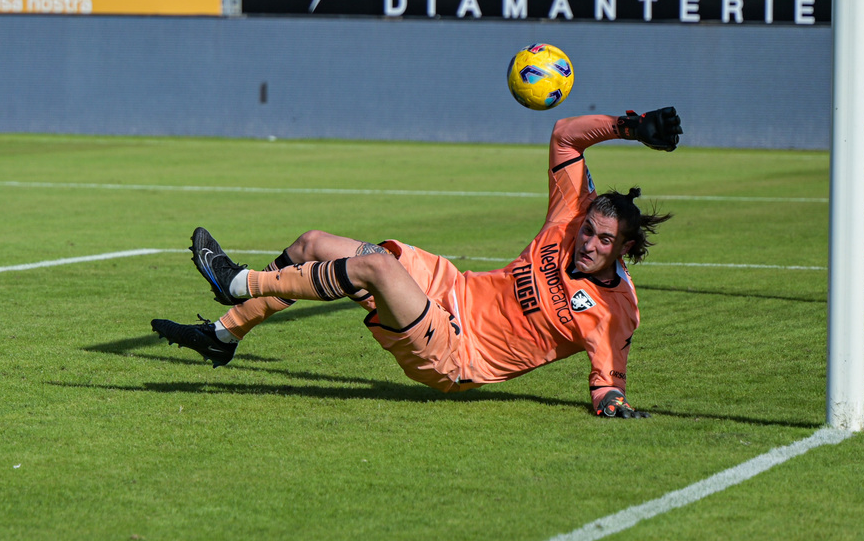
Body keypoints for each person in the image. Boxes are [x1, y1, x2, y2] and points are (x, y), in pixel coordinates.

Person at [153, 108, 683, 419]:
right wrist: (628, 126)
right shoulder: (572, 213)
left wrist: (612, 403)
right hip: (451, 287)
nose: (588, 241)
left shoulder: (615, 309)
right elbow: (566, 133)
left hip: (456, 354)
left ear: (623, 249)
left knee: (377, 268)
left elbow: (608, 381)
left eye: (603, 239)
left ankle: (237, 282)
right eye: (590, 228)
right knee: (313, 242)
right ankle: (222, 337)